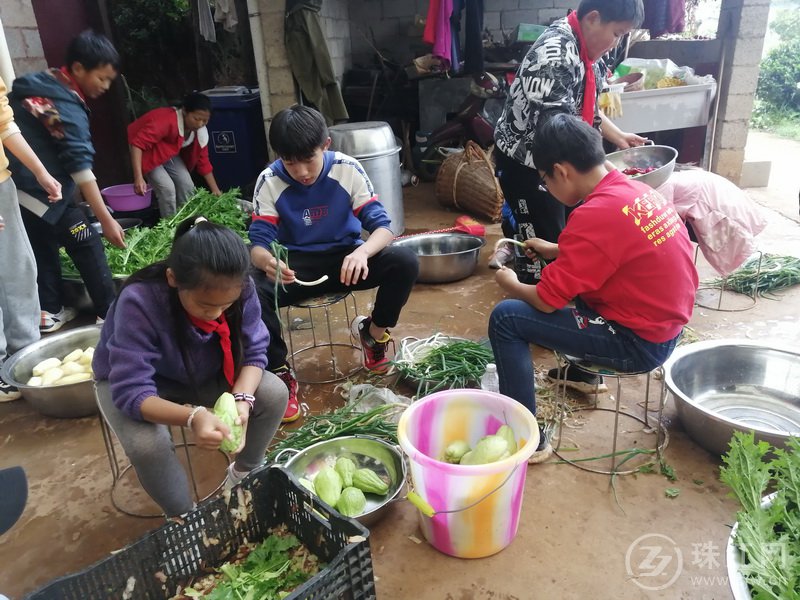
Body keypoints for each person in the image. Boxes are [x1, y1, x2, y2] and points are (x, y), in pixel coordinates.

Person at [488, 114, 698, 464]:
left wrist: (510, 283)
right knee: (582, 278)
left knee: (506, 318)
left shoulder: (592, 215)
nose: (547, 189)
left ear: (563, 171)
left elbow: (544, 299)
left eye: (544, 181)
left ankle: (528, 439)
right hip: (664, 329)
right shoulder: (634, 190)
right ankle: (584, 374)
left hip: (639, 343)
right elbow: (613, 249)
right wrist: (557, 249)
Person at [92, 217, 288, 518]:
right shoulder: (141, 302)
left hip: (203, 368)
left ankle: (245, 472)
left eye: (226, 306)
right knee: (148, 446)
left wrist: (242, 401)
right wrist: (193, 416)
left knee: (273, 393)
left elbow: (254, 352)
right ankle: (183, 517)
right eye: (206, 306)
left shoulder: (240, 286)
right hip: (138, 383)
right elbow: (132, 392)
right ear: (173, 279)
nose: (217, 314)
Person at [249, 105, 419, 423]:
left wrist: (362, 253)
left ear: (326, 145)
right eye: (290, 161)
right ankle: (279, 371)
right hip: (295, 269)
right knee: (248, 288)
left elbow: (384, 228)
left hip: (347, 260)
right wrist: (268, 261)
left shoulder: (347, 168)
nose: (301, 171)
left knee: (405, 261)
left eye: (308, 159)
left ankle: (373, 333)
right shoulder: (269, 180)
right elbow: (257, 244)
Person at [493, 0, 648, 283]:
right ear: (593, 18)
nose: (616, 44)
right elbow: (558, 133)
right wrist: (610, 178)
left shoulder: (589, 53)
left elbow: (585, 107)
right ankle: (534, 299)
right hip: (529, 163)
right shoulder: (554, 58)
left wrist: (619, 137)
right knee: (544, 237)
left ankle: (562, 294)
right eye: (616, 34)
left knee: (571, 232)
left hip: (564, 160)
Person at [7, 30, 124, 331]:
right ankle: (109, 313)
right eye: (102, 78)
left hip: (16, 189)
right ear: (78, 69)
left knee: (42, 245)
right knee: (86, 241)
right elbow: (80, 166)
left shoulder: (40, 84)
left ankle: (49, 311)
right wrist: (105, 219)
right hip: (41, 190)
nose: (105, 86)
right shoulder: (64, 103)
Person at [0, 74, 62, 401]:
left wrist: (41, 171)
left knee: (19, 269)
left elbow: (4, 124)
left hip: (1, 182)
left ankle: (23, 355)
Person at [128, 92, 222, 218]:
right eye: (196, 119)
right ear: (184, 111)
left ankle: (187, 222)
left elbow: (203, 161)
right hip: (146, 151)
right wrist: (138, 177)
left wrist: (215, 190)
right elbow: (138, 145)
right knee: (167, 189)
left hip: (168, 151)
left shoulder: (200, 133)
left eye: (205, 121)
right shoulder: (166, 121)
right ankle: (170, 227)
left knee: (187, 185)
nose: (200, 124)